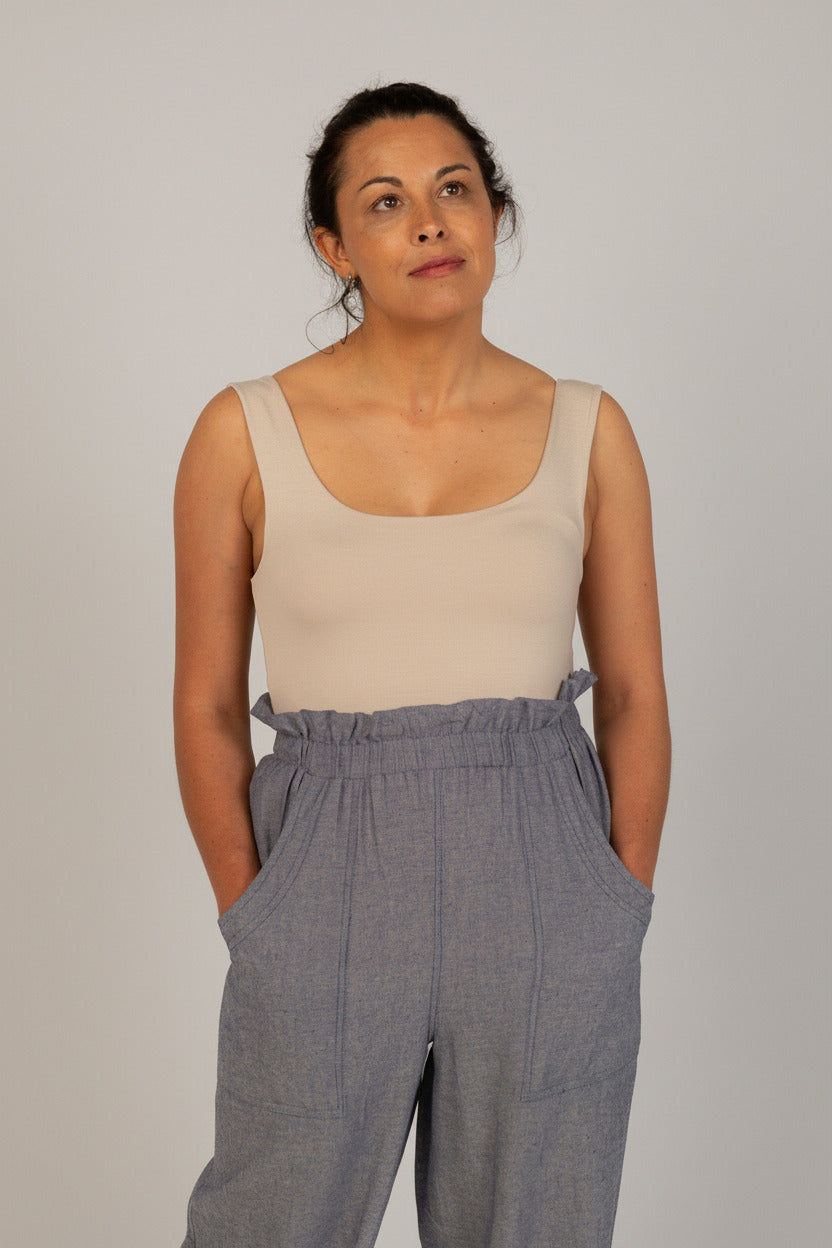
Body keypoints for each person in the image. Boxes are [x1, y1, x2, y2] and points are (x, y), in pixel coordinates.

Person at [173, 81, 671, 1248]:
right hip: (324, 865)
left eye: (454, 189)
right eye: (386, 201)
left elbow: (635, 694)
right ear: (334, 245)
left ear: (493, 215)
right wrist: (255, 912)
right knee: (271, 1218)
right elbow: (204, 703)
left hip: (545, 869)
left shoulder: (587, 428)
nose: (431, 222)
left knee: (538, 1223)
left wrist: (618, 903)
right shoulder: (242, 432)